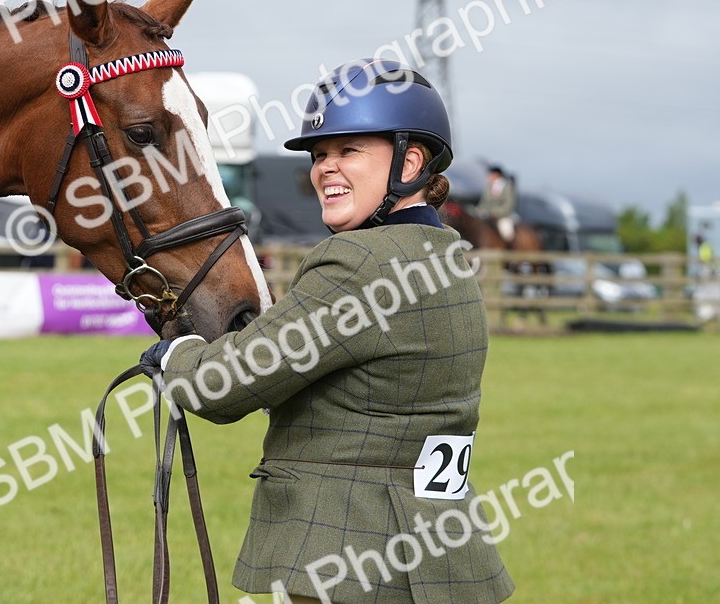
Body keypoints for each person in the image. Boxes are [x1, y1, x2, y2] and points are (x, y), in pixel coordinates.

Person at [140, 59, 513, 604]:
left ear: (410, 162)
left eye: (348, 151)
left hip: (345, 553)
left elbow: (221, 387)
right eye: (318, 156)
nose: (325, 169)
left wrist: (177, 352)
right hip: (437, 550)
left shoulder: (358, 261)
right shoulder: (449, 257)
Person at [478, 165, 517, 245]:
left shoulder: (507, 186)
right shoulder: (489, 187)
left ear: (497, 175)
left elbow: (509, 203)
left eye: (491, 174)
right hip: (487, 216)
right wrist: (479, 210)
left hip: (502, 216)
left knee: (506, 233)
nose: (489, 177)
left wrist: (496, 212)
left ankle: (509, 252)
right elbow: (483, 202)